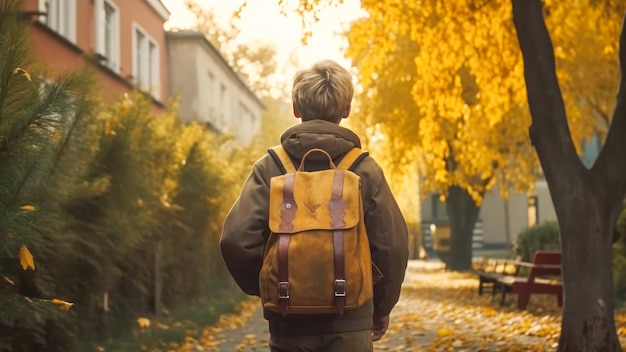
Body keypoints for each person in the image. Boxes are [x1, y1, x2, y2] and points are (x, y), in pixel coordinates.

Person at [220, 59, 409, 351]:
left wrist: (269, 287)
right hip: (351, 319)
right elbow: (391, 246)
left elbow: (235, 240)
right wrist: (381, 305)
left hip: (288, 321)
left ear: (296, 109)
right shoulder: (364, 170)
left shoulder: (270, 167)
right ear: (346, 110)